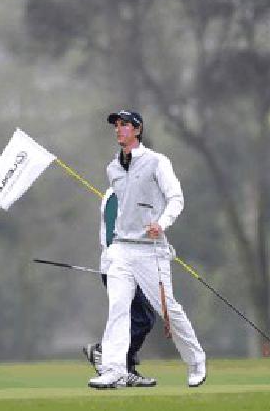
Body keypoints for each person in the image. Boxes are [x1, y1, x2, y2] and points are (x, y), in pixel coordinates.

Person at [88, 109, 206, 389]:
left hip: (150, 249)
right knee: (118, 308)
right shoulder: (112, 168)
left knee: (168, 310)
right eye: (116, 125)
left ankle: (195, 360)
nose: (119, 129)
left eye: (125, 125)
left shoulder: (156, 162)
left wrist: (161, 224)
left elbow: (176, 198)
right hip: (122, 249)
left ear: (138, 130)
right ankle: (114, 369)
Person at [81, 185, 158, 387]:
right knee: (142, 318)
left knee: (142, 318)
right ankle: (108, 357)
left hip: (132, 266)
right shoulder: (116, 195)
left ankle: (124, 368)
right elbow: (111, 238)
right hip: (119, 267)